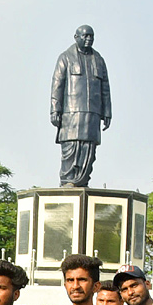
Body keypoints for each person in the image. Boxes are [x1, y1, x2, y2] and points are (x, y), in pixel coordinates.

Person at [50, 24, 112, 187]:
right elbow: (57, 84)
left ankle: (83, 181)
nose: (89, 39)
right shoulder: (65, 57)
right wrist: (55, 109)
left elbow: (105, 87)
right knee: (71, 147)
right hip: (71, 114)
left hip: (93, 114)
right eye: (85, 36)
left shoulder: (98, 60)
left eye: (91, 36)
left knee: (89, 150)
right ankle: (68, 181)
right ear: (76, 37)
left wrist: (107, 111)